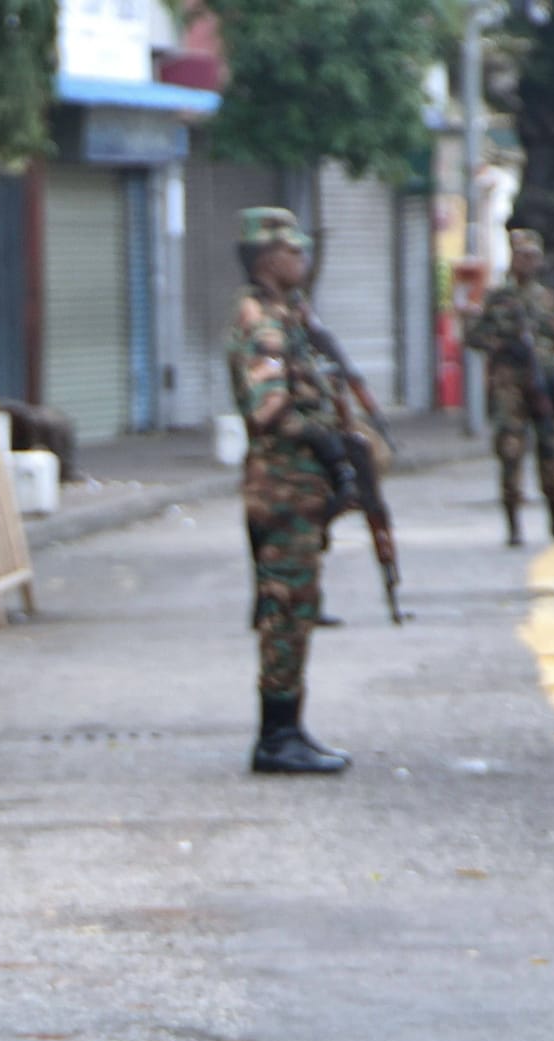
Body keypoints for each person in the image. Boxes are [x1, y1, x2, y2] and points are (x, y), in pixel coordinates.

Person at [227, 207, 356, 775]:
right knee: (285, 610)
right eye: (293, 251)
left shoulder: (289, 314)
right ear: (266, 257)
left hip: (295, 488)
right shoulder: (264, 323)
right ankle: (276, 738)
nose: (303, 260)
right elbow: (267, 407)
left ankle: (289, 728)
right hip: (280, 488)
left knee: (298, 609)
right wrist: (320, 438)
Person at [464, 227, 554, 547]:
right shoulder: (497, 298)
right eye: (522, 255)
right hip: (509, 385)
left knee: (551, 449)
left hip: (543, 386)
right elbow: (473, 336)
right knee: (510, 450)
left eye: (532, 256)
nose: (527, 262)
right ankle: (513, 525)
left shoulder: (547, 299)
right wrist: (500, 346)